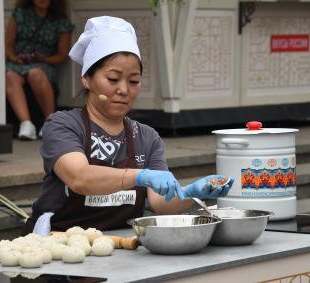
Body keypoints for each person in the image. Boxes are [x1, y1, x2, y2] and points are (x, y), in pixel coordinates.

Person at [24, 16, 234, 235]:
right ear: (86, 78)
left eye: (133, 81)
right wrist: (139, 176)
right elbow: (79, 177)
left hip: (119, 245)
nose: (124, 90)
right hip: (59, 243)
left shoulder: (146, 137)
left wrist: (191, 193)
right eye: (113, 79)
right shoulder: (63, 124)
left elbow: (160, 203)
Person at [5, 0, 74, 140]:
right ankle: (26, 124)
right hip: (18, 62)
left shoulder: (60, 20)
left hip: (44, 63)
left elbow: (62, 55)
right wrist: (14, 58)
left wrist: (44, 59)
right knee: (10, 75)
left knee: (35, 73)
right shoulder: (20, 13)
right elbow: (7, 43)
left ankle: (49, 123)